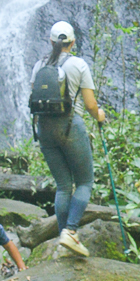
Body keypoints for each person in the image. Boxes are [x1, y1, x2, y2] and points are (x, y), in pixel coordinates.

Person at [30, 20, 105, 258]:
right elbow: (91, 105)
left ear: (51, 42)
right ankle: (70, 232)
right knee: (84, 182)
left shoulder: (39, 65)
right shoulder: (78, 64)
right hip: (71, 127)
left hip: (44, 129)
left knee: (63, 185)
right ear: (72, 42)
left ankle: (64, 238)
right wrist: (100, 116)